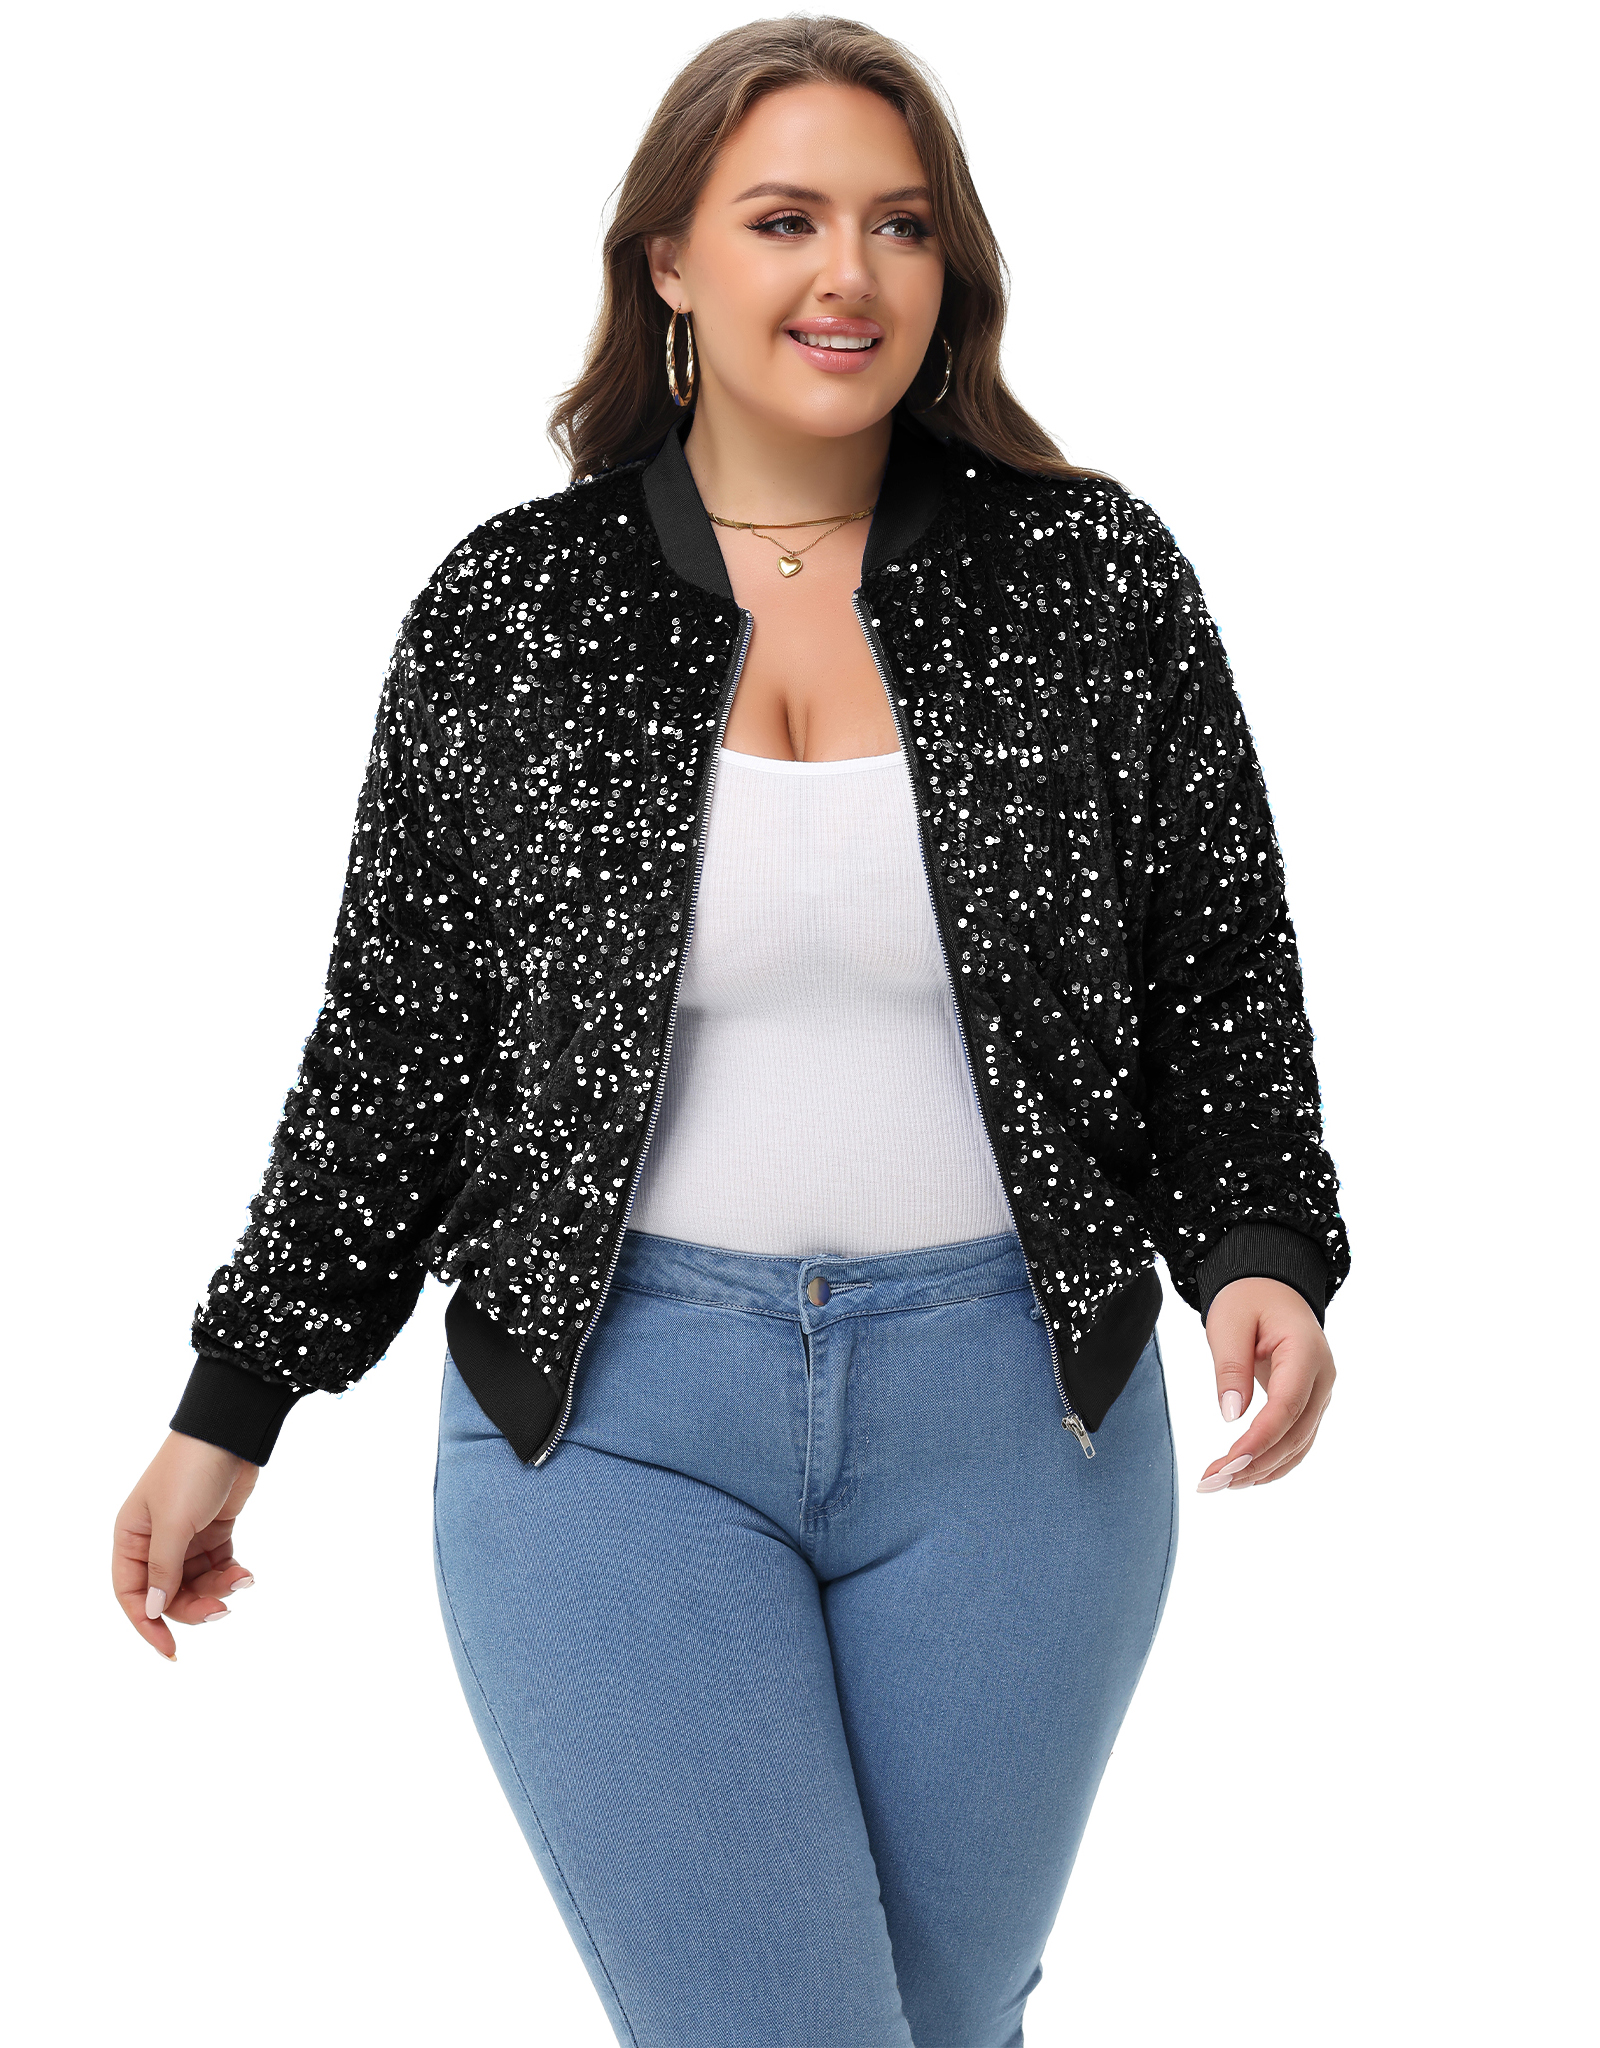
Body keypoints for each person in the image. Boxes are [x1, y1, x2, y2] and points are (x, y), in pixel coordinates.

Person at [113, 16, 1350, 2046]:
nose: (847, 274)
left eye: (900, 225)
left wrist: (1257, 1253)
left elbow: (1215, 969)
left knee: (943, 2021)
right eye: (785, 220)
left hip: (1019, 1426)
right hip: (609, 1421)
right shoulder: (514, 609)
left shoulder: (1091, 581)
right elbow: (397, 1043)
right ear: (669, 260)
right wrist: (230, 1402)